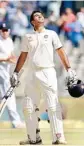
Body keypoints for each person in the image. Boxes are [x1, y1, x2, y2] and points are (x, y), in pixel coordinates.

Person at [11, 10, 77, 144]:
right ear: (32, 22)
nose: (40, 16)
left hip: (48, 72)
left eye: (41, 15)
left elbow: (61, 51)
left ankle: (58, 137)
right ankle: (34, 138)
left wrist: (69, 69)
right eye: (36, 16)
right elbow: (23, 56)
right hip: (32, 74)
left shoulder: (51, 34)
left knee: (53, 106)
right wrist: (15, 72)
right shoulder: (28, 36)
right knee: (28, 107)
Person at [0, 23, 25, 128]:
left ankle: (16, 122)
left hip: (6, 70)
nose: (5, 32)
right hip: (1, 71)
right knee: (8, 95)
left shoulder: (10, 41)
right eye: (3, 30)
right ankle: (16, 122)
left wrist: (16, 61)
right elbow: (6, 58)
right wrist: (6, 59)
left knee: (8, 95)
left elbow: (11, 56)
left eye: (6, 30)